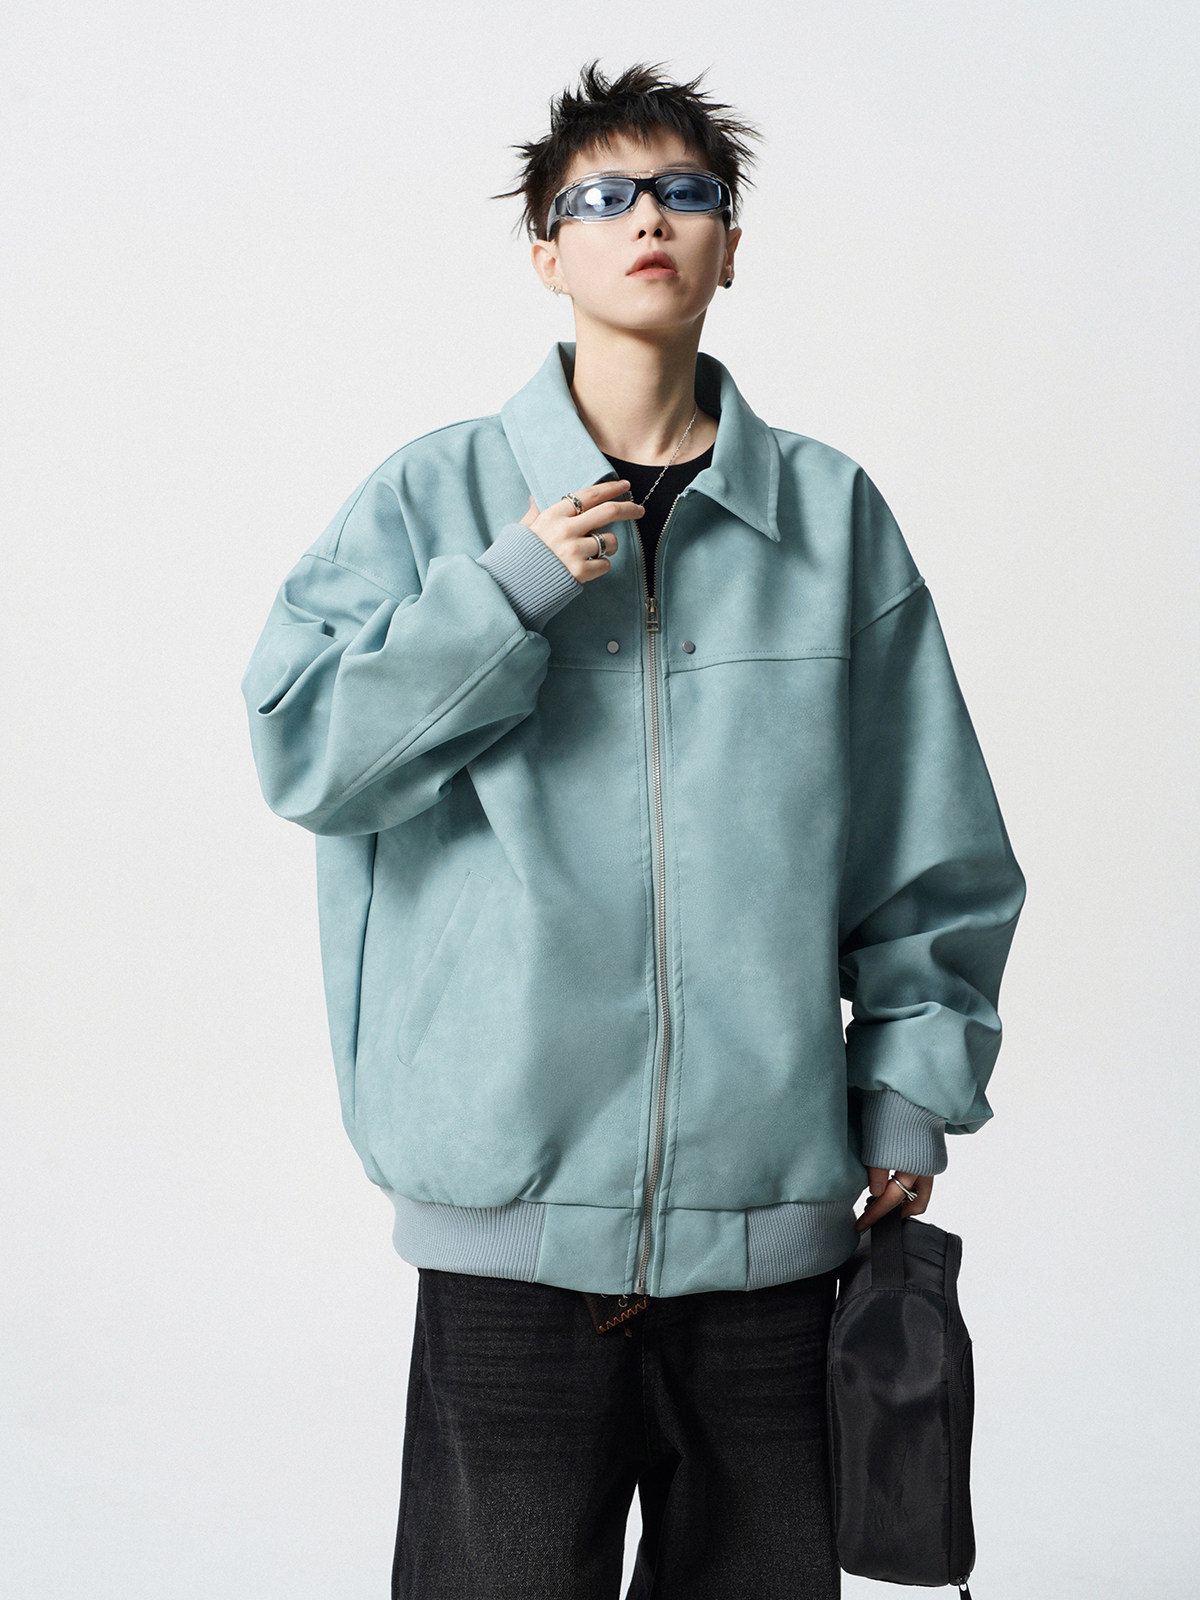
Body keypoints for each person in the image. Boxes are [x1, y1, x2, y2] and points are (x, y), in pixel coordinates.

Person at [240, 58, 1026, 1600]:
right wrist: (507, 593)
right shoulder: (433, 500)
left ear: (731, 245)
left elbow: (928, 836)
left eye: (685, 192)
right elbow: (310, 755)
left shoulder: (829, 519)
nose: (647, 218)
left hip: (774, 1234)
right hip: (509, 1234)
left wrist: (906, 1092)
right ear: (548, 251)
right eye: (602, 197)